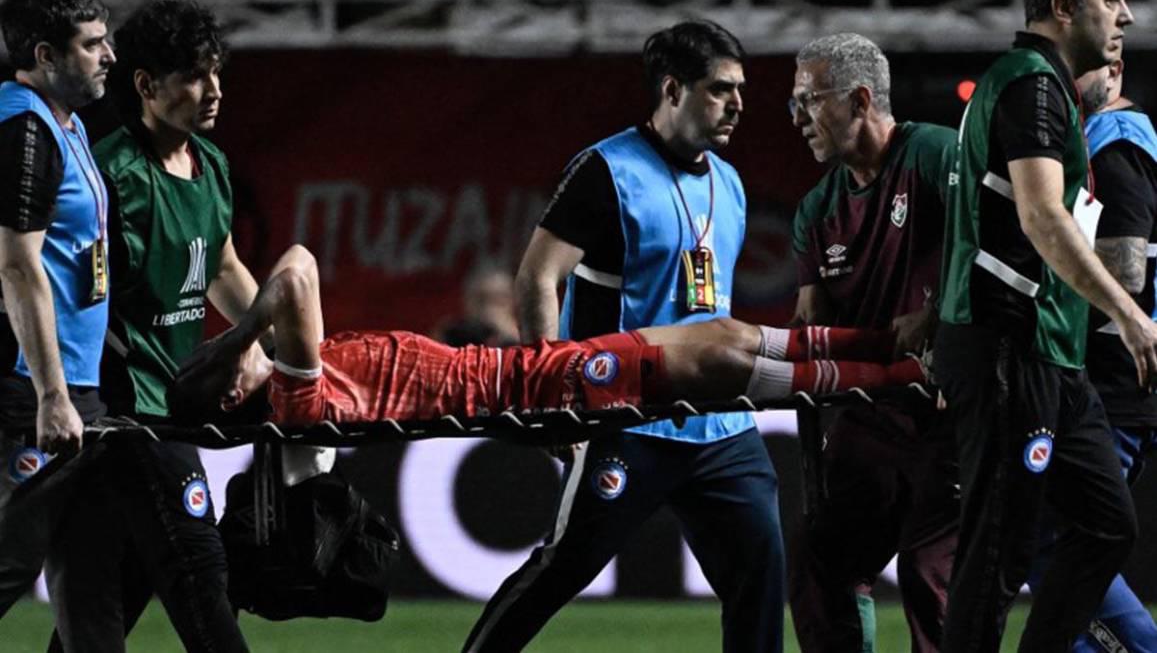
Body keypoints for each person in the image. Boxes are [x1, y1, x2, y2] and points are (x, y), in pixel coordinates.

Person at [463, 20, 785, 653]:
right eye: (721, 90)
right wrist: (551, 391)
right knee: (559, 570)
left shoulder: (732, 182)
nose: (739, 104)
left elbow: (708, 304)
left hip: (721, 426)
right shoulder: (606, 170)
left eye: (741, 89)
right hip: (628, 421)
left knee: (762, 575)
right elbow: (536, 277)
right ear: (672, 90)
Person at [935, 0, 1156, 650]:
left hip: (1052, 355)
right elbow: (1039, 215)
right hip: (1009, 345)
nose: (1125, 14)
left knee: (1105, 524)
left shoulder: (1043, 88)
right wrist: (1128, 313)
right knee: (997, 552)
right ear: (1062, 8)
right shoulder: (1031, 85)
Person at [43, 0, 263, 652]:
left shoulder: (211, 165)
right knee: (199, 571)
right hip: (120, 413)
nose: (214, 90)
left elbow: (222, 264)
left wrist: (262, 343)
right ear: (146, 85)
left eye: (217, 72)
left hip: (169, 409)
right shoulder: (108, 174)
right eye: (196, 75)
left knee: (104, 603)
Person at [174, 245, 929, 428]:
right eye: (225, 356)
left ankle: (885, 341)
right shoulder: (297, 395)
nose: (230, 343)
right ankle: (906, 378)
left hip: (523, 367)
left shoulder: (287, 375)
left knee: (721, 331)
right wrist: (245, 330)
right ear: (238, 385)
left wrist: (241, 340)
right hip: (527, 391)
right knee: (725, 363)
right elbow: (298, 271)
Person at [787, 33, 958, 653]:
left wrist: (938, 314)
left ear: (860, 100)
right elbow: (812, 323)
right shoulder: (816, 210)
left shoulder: (936, 155)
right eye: (794, 106)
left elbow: (999, 249)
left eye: (809, 101)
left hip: (952, 417)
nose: (799, 119)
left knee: (927, 575)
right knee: (818, 554)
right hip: (872, 419)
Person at [0, 0, 113, 618]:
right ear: (46, 55)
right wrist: (51, 395)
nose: (110, 55)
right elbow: (17, 268)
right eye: (92, 44)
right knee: (12, 558)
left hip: (75, 382)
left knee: (91, 573)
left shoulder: (62, 125)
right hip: (37, 387)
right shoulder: (24, 130)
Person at [1040, 59, 1157, 652]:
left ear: (1112, 70)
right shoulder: (1088, 140)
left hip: (1112, 383)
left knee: (1056, 542)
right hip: (1116, 382)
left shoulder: (1116, 139)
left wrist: (1036, 279)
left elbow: (1128, 269)